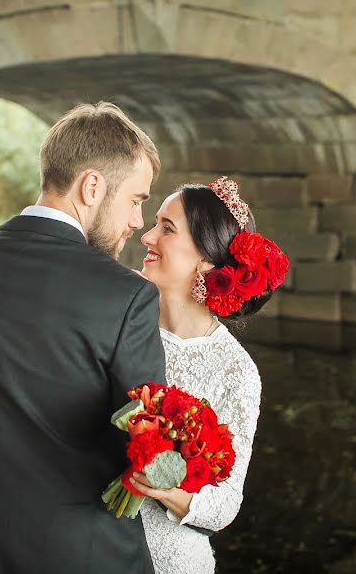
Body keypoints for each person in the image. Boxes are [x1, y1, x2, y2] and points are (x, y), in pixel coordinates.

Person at [0, 102, 167, 574]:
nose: (136, 221)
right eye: (136, 200)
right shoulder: (127, 295)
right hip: (80, 555)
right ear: (92, 186)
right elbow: (142, 455)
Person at [128, 177, 288, 574]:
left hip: (172, 562)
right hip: (89, 548)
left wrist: (162, 482)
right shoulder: (118, 324)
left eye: (166, 228)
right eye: (154, 223)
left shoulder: (236, 370)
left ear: (205, 260)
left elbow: (224, 505)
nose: (147, 236)